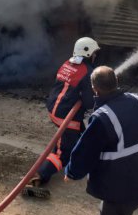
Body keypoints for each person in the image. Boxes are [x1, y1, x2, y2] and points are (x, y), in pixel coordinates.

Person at [64, 66, 138, 215]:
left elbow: (85, 151)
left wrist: (72, 172)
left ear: (94, 89)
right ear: (116, 81)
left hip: (124, 189)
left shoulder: (103, 118)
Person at [23, 36, 100, 198]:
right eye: (94, 53)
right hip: (66, 116)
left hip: (54, 108)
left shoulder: (68, 63)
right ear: (88, 53)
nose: (95, 56)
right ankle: (38, 178)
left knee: (82, 135)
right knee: (62, 152)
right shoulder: (88, 72)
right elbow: (88, 102)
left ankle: (86, 161)